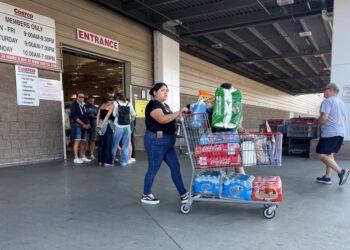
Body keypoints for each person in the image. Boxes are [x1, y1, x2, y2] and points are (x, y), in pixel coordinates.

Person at [141, 82, 199, 204]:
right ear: (155, 92)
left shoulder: (165, 105)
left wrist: (183, 115)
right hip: (156, 141)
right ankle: (146, 194)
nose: (166, 92)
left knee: (175, 167)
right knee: (153, 168)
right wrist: (179, 111)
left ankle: (183, 194)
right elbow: (162, 119)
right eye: (162, 90)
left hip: (167, 141)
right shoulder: (154, 104)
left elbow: (170, 118)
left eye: (167, 90)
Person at [314, 83, 349, 185]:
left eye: (324, 89)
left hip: (330, 133)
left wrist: (316, 122)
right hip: (340, 132)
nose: (323, 91)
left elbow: (324, 117)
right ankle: (327, 177)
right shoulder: (341, 102)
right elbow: (344, 118)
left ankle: (341, 172)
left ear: (329, 90)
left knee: (321, 154)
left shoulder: (327, 101)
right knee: (329, 155)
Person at [215, 83, 245, 174]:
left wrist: (239, 128)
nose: (234, 91)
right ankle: (244, 184)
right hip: (227, 137)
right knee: (237, 162)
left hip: (224, 138)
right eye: (232, 89)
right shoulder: (220, 105)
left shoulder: (231, 104)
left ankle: (240, 182)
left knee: (235, 162)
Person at [112, 93, 136, 167]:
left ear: (117, 98)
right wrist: (129, 120)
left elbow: (113, 114)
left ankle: (111, 161)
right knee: (125, 144)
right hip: (127, 126)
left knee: (114, 144)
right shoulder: (129, 103)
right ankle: (124, 162)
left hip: (118, 126)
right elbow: (134, 115)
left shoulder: (115, 103)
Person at [70, 91, 91, 164]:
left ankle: (82, 156)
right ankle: (76, 157)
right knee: (77, 141)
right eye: (80, 97)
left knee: (83, 141)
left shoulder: (84, 105)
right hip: (78, 125)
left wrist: (88, 123)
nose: (82, 98)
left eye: (83, 97)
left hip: (84, 125)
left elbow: (86, 115)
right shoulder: (74, 105)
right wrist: (83, 124)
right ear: (77, 97)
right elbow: (75, 117)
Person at [96, 89, 115, 167]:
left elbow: (98, 115)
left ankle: (100, 161)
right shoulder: (113, 105)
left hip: (100, 124)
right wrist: (102, 125)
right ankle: (107, 162)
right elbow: (107, 116)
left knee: (101, 143)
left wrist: (98, 125)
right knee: (108, 143)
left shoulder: (102, 104)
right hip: (108, 126)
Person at [85, 95, 99, 160]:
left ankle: (92, 154)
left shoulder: (96, 107)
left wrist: (94, 116)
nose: (92, 102)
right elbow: (83, 116)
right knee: (85, 140)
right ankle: (84, 154)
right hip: (86, 125)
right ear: (88, 100)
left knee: (93, 140)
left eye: (93, 101)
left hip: (94, 125)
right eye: (90, 101)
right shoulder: (84, 107)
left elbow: (99, 116)